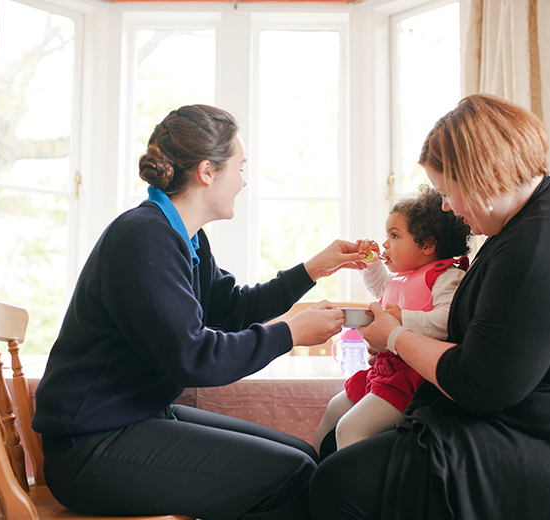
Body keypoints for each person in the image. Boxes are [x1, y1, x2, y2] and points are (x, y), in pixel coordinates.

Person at [309, 94, 550, 520]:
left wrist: (394, 336)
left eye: (448, 191)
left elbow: (480, 384)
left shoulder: (545, 246)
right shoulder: (528, 222)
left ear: (482, 177)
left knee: (340, 483)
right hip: (541, 422)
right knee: (342, 456)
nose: (445, 206)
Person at [32, 104, 366, 520]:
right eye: (240, 168)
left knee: (301, 455)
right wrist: (290, 333)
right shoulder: (143, 237)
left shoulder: (183, 237)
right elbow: (194, 357)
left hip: (132, 420)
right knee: (295, 474)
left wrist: (312, 270)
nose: (244, 182)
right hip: (90, 449)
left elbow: (231, 308)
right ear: (208, 172)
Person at [312, 187, 471, 456]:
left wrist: (401, 321)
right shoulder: (404, 276)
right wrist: (372, 264)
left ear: (427, 245)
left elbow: (447, 320)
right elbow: (382, 289)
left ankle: (351, 492)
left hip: (409, 377)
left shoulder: (446, 277)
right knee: (334, 409)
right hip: (383, 370)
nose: (385, 243)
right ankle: (307, 473)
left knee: (350, 428)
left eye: (394, 236)